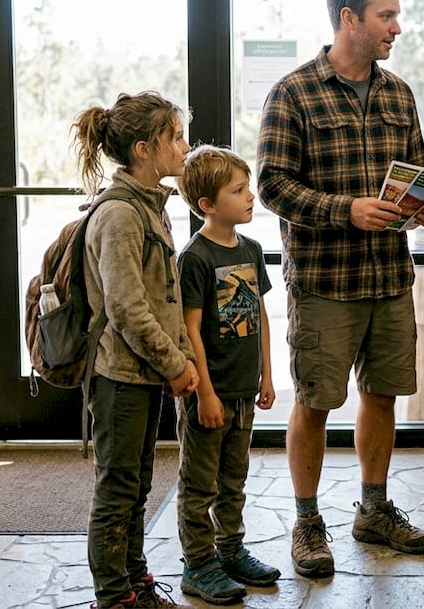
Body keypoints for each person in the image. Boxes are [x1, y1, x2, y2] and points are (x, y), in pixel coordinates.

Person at [256, 0, 424, 578]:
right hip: (323, 283)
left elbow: (415, 171)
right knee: (314, 402)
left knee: (383, 395)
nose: (397, 27)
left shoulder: (399, 93)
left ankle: (372, 509)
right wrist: (346, 210)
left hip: (389, 277)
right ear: (349, 19)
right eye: (385, 16)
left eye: (395, 15)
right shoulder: (293, 93)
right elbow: (271, 186)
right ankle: (308, 521)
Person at [73, 91, 200, 609]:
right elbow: (127, 308)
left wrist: (183, 360)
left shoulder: (151, 207)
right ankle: (113, 596)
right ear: (146, 149)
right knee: (117, 489)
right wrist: (175, 364)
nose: (186, 146)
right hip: (121, 376)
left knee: (139, 483)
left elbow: (162, 299)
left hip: (145, 374)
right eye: (176, 136)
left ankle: (136, 581)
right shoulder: (121, 216)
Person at [173, 145, 280, 604]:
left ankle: (231, 550)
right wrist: (206, 394)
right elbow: (190, 330)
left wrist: (268, 377)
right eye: (238, 191)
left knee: (234, 477)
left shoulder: (252, 249)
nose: (251, 196)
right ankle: (198, 564)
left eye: (248, 186)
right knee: (201, 483)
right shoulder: (195, 258)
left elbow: (260, 314)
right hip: (209, 392)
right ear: (208, 206)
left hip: (243, 388)